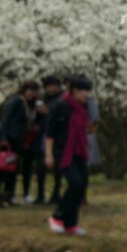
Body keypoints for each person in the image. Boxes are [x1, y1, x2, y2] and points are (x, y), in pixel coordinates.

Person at [46, 76, 92, 236]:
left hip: (79, 150)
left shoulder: (83, 107)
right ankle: (57, 217)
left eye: (87, 91)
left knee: (82, 185)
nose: (86, 94)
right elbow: (50, 133)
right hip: (62, 151)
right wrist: (49, 154)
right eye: (82, 91)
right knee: (75, 183)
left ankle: (71, 223)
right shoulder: (60, 106)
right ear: (73, 91)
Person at [0, 80, 41, 208]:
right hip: (8, 138)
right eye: (30, 90)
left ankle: (10, 195)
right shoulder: (16, 101)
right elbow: (6, 119)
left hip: (18, 140)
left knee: (13, 168)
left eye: (34, 91)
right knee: (3, 168)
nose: (32, 94)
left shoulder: (32, 105)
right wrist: (4, 138)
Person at [37, 76, 63, 204]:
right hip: (43, 134)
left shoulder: (62, 99)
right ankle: (40, 194)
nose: (52, 88)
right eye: (49, 86)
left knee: (58, 167)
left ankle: (56, 193)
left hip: (58, 136)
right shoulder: (41, 100)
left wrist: (48, 111)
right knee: (41, 166)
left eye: (54, 86)